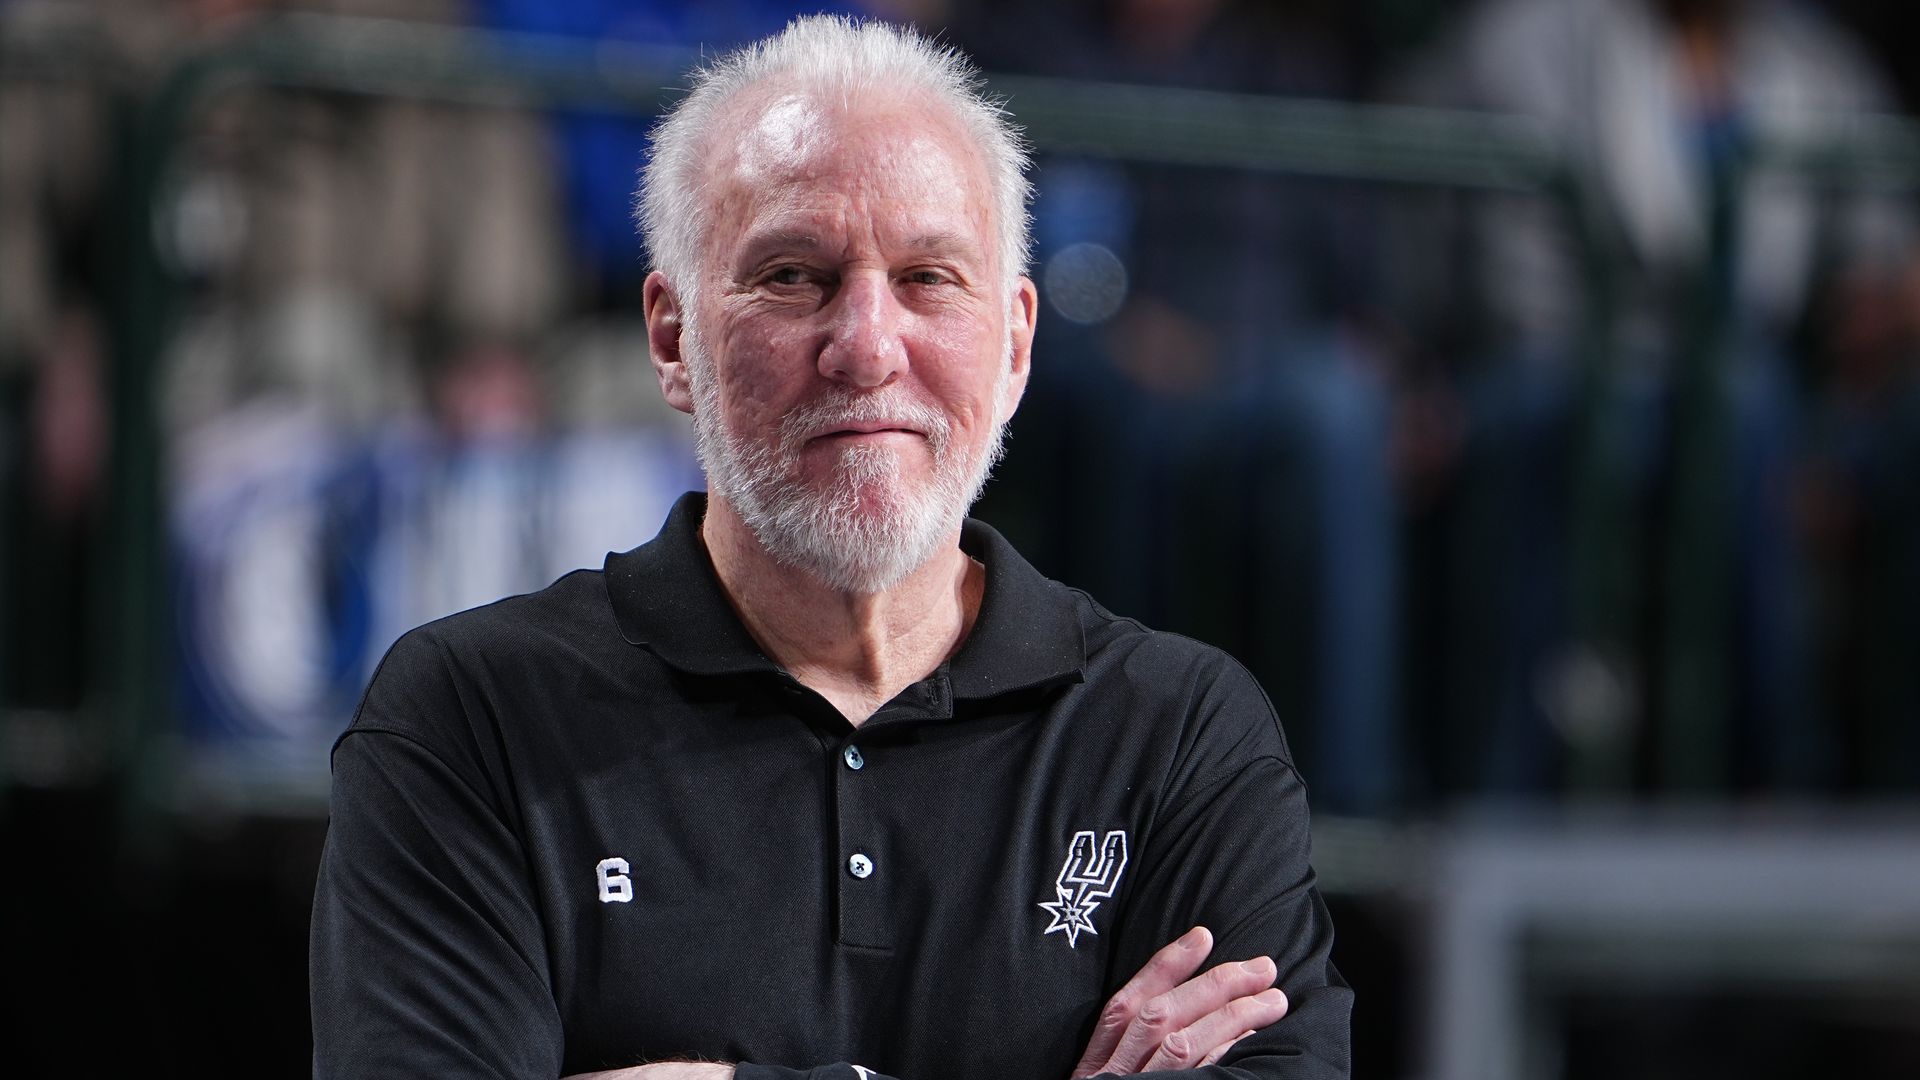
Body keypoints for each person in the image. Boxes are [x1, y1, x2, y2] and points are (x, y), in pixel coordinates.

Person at [310, 15, 1351, 1080]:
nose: (865, 347)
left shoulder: (1179, 743)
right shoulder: (469, 718)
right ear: (672, 339)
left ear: (1017, 346)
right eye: (794, 276)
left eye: (929, 278)